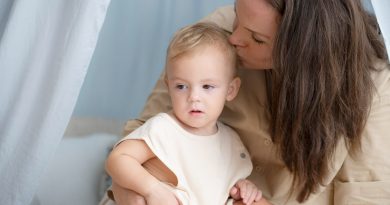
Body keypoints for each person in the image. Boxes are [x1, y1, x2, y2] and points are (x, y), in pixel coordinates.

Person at [102, 0, 390, 204]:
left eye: (257, 39)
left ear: (303, 54)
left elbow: (367, 194)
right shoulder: (214, 40)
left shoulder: (372, 84)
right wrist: (138, 191)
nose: (235, 38)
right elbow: (141, 137)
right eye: (238, 15)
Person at [104, 22, 264, 205]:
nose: (194, 97)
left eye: (207, 87)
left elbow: (225, 188)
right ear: (168, 86)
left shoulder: (230, 141)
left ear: (230, 90)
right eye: (181, 86)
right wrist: (151, 189)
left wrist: (243, 187)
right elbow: (118, 159)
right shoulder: (164, 128)